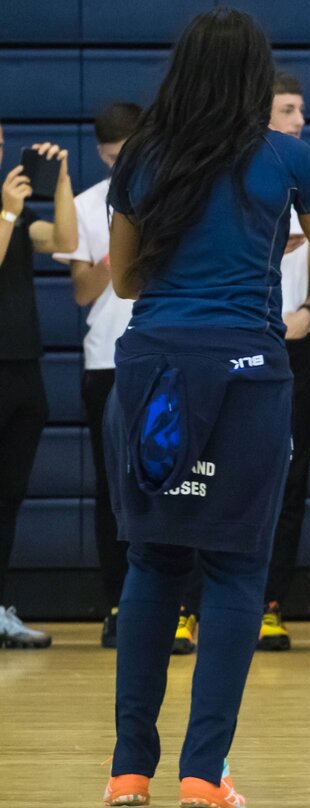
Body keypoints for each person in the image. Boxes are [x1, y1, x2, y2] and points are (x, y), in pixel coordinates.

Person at [101, 8, 310, 808]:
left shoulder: (145, 157)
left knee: (153, 559)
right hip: (249, 375)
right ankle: (203, 770)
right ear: (258, 79)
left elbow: (125, 282)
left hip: (154, 369)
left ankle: (128, 770)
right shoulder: (288, 158)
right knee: (233, 567)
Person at [54, 102, 142, 648]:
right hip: (106, 360)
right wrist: (117, 249)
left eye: (126, 156)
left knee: (178, 483)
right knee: (114, 492)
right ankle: (118, 605)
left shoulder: (174, 196)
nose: (119, 166)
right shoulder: (89, 205)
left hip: (166, 356)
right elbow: (83, 292)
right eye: (111, 159)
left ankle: (178, 607)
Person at [0, 128, 77, 648]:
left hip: (23, 366)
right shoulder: (9, 208)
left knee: (9, 496)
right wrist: (7, 214)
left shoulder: (16, 205)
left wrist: (64, 182)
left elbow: (65, 242)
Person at [257, 71, 310, 651]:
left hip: (297, 346)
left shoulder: (309, 174)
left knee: (290, 476)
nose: (300, 120)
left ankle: (270, 604)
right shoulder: (234, 178)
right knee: (214, 475)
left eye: (302, 109)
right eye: (288, 109)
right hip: (237, 344)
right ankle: (191, 605)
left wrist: (309, 309)